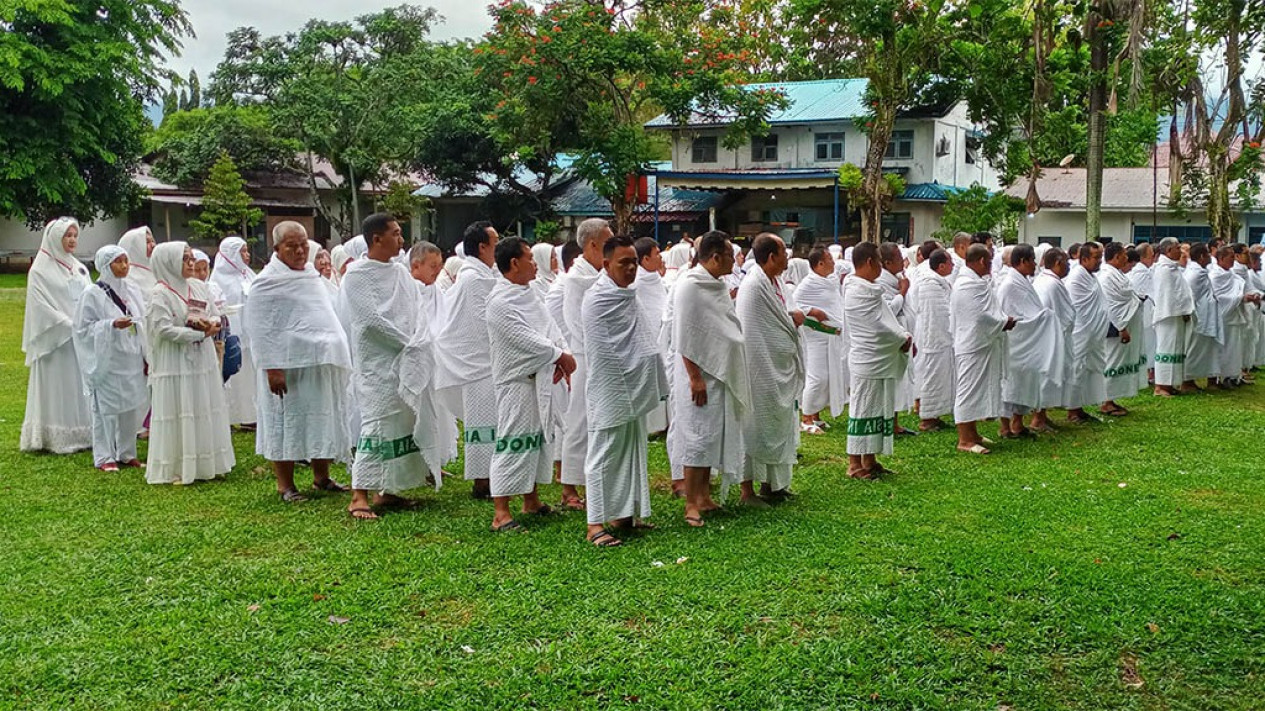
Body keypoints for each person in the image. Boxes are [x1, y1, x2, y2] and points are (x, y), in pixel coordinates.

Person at [244, 222, 353, 502]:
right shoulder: (266, 282)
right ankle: (285, 485)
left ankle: (322, 476)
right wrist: (272, 367)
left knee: (319, 418)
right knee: (285, 421)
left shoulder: (310, 276)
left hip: (317, 362)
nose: (300, 250)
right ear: (277, 248)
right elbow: (260, 328)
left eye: (303, 244)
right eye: (292, 246)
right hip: (285, 366)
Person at [339, 214, 429, 519]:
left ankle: (388, 490)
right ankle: (358, 496)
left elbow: (415, 309)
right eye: (396, 233)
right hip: (376, 361)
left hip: (404, 358)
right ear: (377, 239)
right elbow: (370, 320)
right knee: (376, 423)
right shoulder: (357, 275)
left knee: (400, 423)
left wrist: (417, 339)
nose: (402, 240)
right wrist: (406, 341)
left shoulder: (401, 274)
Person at [485, 237, 576, 532]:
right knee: (513, 442)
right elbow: (523, 338)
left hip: (540, 378)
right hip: (517, 382)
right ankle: (501, 512)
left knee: (537, 442)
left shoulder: (530, 293)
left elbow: (549, 327)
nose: (535, 263)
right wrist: (557, 354)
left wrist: (560, 353)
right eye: (530, 258)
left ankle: (531, 499)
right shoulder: (499, 302)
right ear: (514, 263)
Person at [582, 235, 664, 545]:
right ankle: (594, 525)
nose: (630, 269)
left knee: (632, 450)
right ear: (605, 265)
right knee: (604, 452)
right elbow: (604, 350)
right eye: (623, 263)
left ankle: (624, 514)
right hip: (611, 387)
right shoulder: (598, 299)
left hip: (632, 384)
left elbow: (640, 336)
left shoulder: (627, 294)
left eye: (633, 262)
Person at [669, 231, 749, 526]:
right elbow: (684, 334)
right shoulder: (689, 286)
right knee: (696, 437)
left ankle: (704, 495)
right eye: (730, 255)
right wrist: (694, 376)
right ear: (715, 257)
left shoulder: (716, 285)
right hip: (698, 375)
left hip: (718, 373)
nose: (734, 260)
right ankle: (691, 503)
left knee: (710, 436)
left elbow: (722, 326)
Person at [144, 242, 235, 484]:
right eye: (185, 259)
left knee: (201, 402)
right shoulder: (159, 294)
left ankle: (206, 462)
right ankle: (178, 465)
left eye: (190, 258)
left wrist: (212, 323)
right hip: (175, 359)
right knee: (178, 406)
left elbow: (215, 311)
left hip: (201, 355)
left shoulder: (197, 286)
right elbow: (163, 329)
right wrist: (197, 334)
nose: (191, 264)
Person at [736, 233, 813, 503]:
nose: (788, 257)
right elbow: (760, 330)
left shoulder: (776, 281)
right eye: (784, 252)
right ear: (771, 257)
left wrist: (793, 319)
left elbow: (784, 315)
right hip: (760, 369)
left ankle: (774, 484)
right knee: (754, 425)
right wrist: (794, 320)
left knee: (781, 425)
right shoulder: (753, 286)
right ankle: (747, 490)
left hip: (779, 367)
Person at [433, 222, 501, 499]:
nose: (499, 247)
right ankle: (481, 480)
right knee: (482, 423)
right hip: (476, 362)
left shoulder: (482, 274)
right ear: (482, 247)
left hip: (486, 360)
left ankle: (491, 474)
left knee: (491, 421)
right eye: (496, 243)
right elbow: (481, 322)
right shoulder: (473, 278)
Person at [73, 245, 149, 470]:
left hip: (131, 355)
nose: (124, 266)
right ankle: (105, 456)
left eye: (126, 261)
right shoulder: (92, 293)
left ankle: (127, 452)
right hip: (107, 359)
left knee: (130, 406)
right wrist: (111, 325)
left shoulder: (132, 289)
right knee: (105, 408)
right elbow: (82, 329)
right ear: (106, 265)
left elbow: (142, 317)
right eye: (118, 262)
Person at [21, 218, 93, 453]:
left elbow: (89, 295)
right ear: (55, 238)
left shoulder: (77, 266)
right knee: (58, 384)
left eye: (75, 235)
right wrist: (66, 323)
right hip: (56, 339)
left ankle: (82, 430)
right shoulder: (40, 270)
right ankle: (55, 433)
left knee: (77, 383)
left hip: (79, 335)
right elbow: (39, 306)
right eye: (67, 235)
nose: (72, 240)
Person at [559, 218, 614, 510]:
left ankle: (597, 478)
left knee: (599, 419)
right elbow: (577, 322)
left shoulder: (600, 274)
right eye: (608, 242)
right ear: (593, 245)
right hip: (584, 354)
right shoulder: (577, 278)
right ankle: (568, 489)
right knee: (579, 420)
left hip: (603, 355)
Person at [845, 242, 912, 478]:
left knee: (877, 407)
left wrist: (902, 336)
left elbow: (884, 319)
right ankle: (854, 464)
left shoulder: (870, 289)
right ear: (871, 262)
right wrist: (901, 338)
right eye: (879, 262)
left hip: (879, 358)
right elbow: (874, 327)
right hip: (867, 359)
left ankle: (870, 458)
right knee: (862, 409)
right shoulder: (856, 291)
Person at [950, 244, 1015, 454]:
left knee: (978, 390)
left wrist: (1002, 319)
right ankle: (964, 440)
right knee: (968, 391)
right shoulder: (966, 284)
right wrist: (1004, 321)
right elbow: (979, 316)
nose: (990, 266)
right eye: (988, 262)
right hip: (972, 345)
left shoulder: (976, 282)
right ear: (980, 261)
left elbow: (986, 311)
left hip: (982, 344)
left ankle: (973, 434)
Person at [996, 244, 1062, 438]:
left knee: (1026, 382)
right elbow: (1011, 315)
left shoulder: (1023, 282)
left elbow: (1029, 311)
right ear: (1022, 262)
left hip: (1028, 344)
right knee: (1011, 384)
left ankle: (1018, 422)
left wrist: (1043, 317)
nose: (1035, 264)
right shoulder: (1009, 285)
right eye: (1032, 260)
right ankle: (1005, 426)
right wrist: (1045, 317)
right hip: (1015, 343)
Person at [793, 246, 848, 433]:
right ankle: (806, 418)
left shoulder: (829, 281)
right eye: (830, 260)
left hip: (831, 335)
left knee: (829, 376)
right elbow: (794, 305)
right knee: (818, 377)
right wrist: (813, 311)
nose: (833, 262)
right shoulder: (808, 284)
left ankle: (816, 415)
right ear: (820, 264)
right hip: (816, 335)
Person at [209, 236, 258, 428]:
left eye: (246, 251)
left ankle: (250, 414)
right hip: (235, 335)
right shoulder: (220, 280)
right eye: (242, 252)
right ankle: (232, 416)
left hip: (250, 333)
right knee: (235, 376)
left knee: (249, 377)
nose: (246, 256)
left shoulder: (248, 274)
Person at [908, 248, 955, 432]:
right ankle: (927, 418)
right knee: (931, 375)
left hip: (941, 338)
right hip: (933, 337)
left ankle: (934, 415)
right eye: (950, 262)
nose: (953, 265)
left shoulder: (939, 281)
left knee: (939, 375)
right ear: (941, 266)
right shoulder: (930, 283)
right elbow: (935, 314)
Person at [1098, 242, 1146, 414]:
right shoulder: (1106, 277)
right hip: (1115, 326)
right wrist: (1121, 326)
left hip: (1124, 324)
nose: (1127, 258)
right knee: (1112, 361)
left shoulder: (1117, 274)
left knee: (1119, 362)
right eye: (1124, 255)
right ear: (1117, 257)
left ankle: (1112, 398)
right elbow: (1110, 305)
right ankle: (1106, 401)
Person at [1031, 248, 1076, 432]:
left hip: (1050, 336)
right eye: (1066, 262)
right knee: (1047, 377)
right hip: (1052, 338)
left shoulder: (1045, 280)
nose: (1068, 266)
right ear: (1058, 263)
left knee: (1047, 377)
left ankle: (1042, 416)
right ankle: (1038, 419)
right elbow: (1062, 314)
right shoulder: (1051, 284)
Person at [1065, 242, 1109, 423]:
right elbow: (1077, 309)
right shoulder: (1076, 278)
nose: (1100, 261)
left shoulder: (1091, 276)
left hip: (1093, 333)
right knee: (1077, 368)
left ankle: (1080, 405)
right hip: (1081, 332)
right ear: (1083, 259)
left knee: (1088, 370)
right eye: (1096, 258)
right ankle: (1072, 410)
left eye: (1101, 257)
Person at [630, 237, 670, 435]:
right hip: (648, 337)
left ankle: (663, 422)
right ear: (645, 259)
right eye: (656, 253)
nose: (660, 257)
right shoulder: (637, 282)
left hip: (662, 334)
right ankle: (652, 425)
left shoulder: (656, 279)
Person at [877, 242, 916, 436]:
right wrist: (902, 292)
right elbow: (889, 311)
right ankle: (888, 423)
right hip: (891, 337)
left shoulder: (896, 278)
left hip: (903, 334)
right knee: (891, 381)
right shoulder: (881, 282)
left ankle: (895, 422)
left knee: (900, 380)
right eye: (899, 258)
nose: (903, 261)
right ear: (887, 262)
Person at [1209, 245, 1261, 386]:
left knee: (1235, 348)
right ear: (1221, 258)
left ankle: (1233, 375)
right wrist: (1241, 298)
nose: (1233, 260)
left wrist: (1255, 295)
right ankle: (1220, 377)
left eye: (1233, 256)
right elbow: (1220, 297)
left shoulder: (1232, 275)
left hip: (1236, 316)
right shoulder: (1215, 275)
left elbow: (1246, 288)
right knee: (1224, 348)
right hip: (1223, 317)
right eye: (1230, 257)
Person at [1149, 238, 1194, 396]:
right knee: (1166, 349)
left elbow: (1181, 292)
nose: (1180, 251)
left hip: (1176, 316)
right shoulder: (1164, 270)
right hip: (1167, 316)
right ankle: (1160, 386)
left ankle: (1170, 383)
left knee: (1176, 349)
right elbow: (1168, 296)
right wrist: (1182, 310)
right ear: (1168, 251)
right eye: (1177, 248)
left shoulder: (1173, 268)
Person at [1183, 243, 1222, 390]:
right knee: (1194, 349)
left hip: (1207, 316)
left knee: (1208, 349)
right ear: (1201, 257)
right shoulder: (1195, 274)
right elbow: (1191, 297)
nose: (1211, 258)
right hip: (1198, 317)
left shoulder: (1199, 271)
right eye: (1207, 255)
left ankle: (1210, 378)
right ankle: (1187, 380)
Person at [1128, 244, 1157, 383]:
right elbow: (1145, 292)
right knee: (1148, 343)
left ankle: (1150, 370)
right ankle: (1148, 372)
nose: (1153, 257)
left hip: (1148, 310)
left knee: (1150, 343)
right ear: (1143, 257)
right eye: (1151, 254)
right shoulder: (1140, 272)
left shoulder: (1146, 270)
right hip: (1144, 311)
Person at [119, 226, 158, 293]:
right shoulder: (125, 276)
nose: (153, 245)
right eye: (147, 242)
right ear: (134, 247)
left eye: (152, 241)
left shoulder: (156, 270)